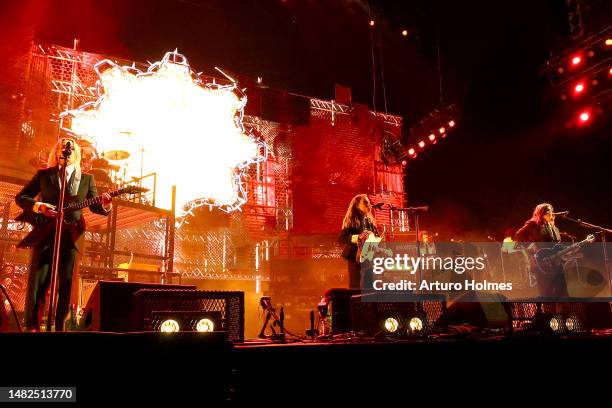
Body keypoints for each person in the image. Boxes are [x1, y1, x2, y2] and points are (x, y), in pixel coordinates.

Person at [16, 137, 112, 331]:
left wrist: (106, 204)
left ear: (76, 153)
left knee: (67, 284)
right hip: (46, 233)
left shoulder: (86, 179)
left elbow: (95, 206)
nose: (64, 150)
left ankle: (62, 328)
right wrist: (38, 206)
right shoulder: (44, 175)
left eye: (69, 148)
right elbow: (21, 197)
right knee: (39, 282)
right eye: (61, 147)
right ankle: (32, 326)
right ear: (56, 152)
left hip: (72, 236)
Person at [514, 203, 567, 297]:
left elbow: (556, 245)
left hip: (555, 263)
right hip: (541, 263)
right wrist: (531, 245)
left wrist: (564, 252)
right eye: (548, 211)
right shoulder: (532, 224)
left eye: (551, 211)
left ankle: (563, 311)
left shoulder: (552, 227)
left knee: (562, 291)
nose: (551, 213)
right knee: (547, 293)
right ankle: (548, 311)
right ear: (540, 213)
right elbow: (518, 235)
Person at [338, 194, 380, 289]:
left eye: (369, 202)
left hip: (368, 257)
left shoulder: (370, 221)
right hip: (355, 257)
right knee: (356, 286)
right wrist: (358, 238)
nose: (369, 205)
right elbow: (342, 238)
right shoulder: (352, 220)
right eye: (365, 202)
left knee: (369, 286)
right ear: (357, 205)